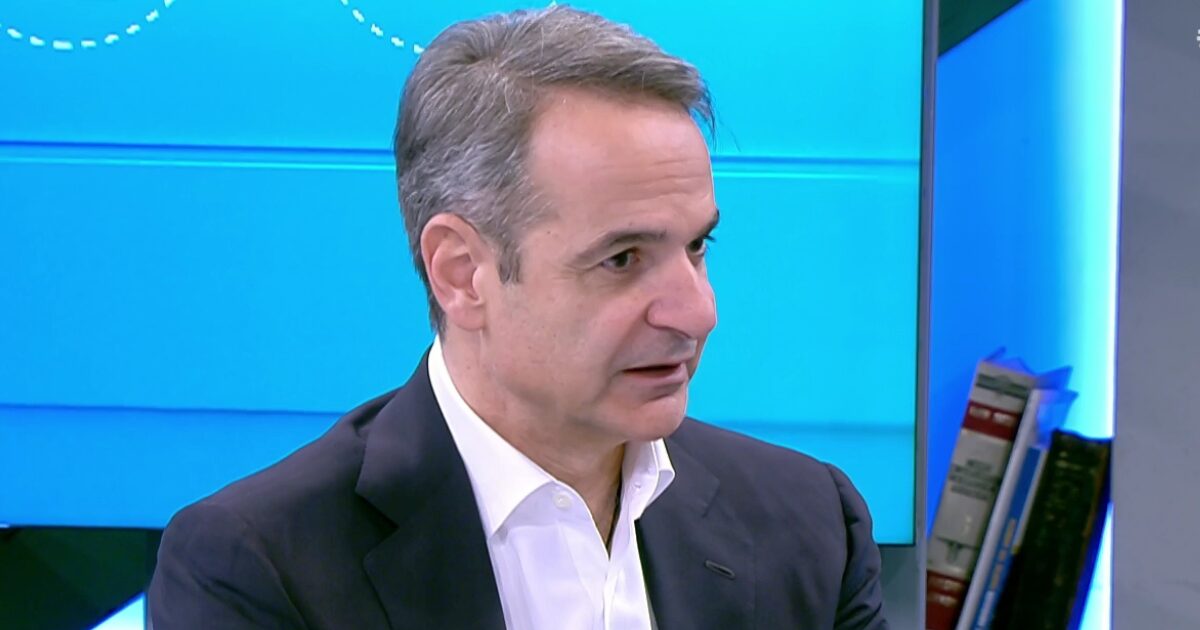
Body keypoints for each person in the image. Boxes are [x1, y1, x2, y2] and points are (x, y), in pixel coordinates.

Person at [148, 6, 887, 629]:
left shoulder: (813, 524)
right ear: (461, 273)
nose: (698, 311)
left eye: (696, 247)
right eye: (622, 259)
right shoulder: (256, 570)